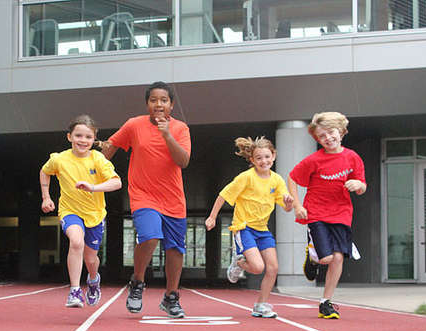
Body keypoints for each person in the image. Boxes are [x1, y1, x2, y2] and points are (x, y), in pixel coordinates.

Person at [101, 81, 191, 318]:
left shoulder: (180, 128)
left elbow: (183, 161)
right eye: (153, 100)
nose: (158, 104)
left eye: (163, 100)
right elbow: (110, 146)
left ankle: (171, 297)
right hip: (143, 195)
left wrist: (167, 135)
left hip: (173, 199)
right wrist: (97, 167)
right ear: (147, 104)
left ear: (171, 104)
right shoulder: (134, 125)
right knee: (150, 237)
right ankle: (137, 282)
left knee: (176, 250)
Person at [288, 112, 367, 319]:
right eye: (322, 136)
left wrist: (358, 185)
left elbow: (362, 186)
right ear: (317, 140)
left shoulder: (352, 157)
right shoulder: (314, 160)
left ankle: (326, 302)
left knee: (338, 258)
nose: (328, 138)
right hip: (316, 212)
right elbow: (292, 178)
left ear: (341, 132)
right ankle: (313, 258)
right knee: (327, 258)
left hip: (341, 213)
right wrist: (297, 205)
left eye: (331, 132)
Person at [205, 137, 293, 318]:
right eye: (259, 158)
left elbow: (286, 207)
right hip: (244, 227)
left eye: (267, 157)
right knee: (257, 267)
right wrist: (212, 217)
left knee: (273, 268)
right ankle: (238, 262)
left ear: (274, 156)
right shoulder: (246, 178)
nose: (264, 161)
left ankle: (261, 305)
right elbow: (223, 195)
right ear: (252, 160)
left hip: (263, 230)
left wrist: (289, 203)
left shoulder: (277, 180)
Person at [40, 115, 122, 308]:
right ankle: (75, 290)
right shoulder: (59, 159)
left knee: (90, 258)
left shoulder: (98, 159)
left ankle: (93, 280)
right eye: (78, 135)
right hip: (70, 210)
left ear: (94, 140)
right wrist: (46, 196)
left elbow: (117, 182)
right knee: (76, 242)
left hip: (94, 215)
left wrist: (93, 187)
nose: (83, 141)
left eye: (88, 137)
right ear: (69, 137)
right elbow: (45, 171)